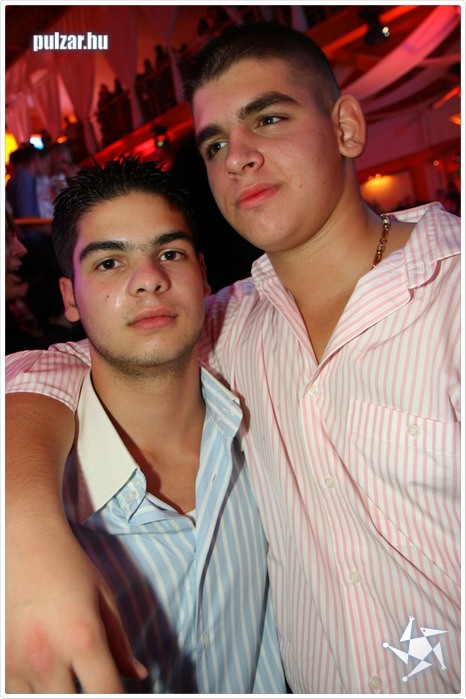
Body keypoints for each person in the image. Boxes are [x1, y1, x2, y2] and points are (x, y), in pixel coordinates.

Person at [5, 22, 461, 694]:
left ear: (345, 127)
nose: (237, 158)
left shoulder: (451, 297)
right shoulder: (234, 324)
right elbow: (74, 359)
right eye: (215, 143)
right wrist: (24, 524)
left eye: (268, 119)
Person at [5, 156, 285, 694]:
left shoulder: (261, 415)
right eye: (110, 262)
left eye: (170, 253)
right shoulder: (49, 484)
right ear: (69, 298)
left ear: (202, 273)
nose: (150, 280)